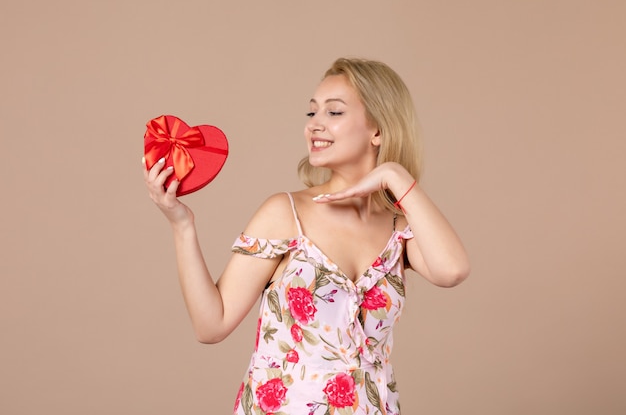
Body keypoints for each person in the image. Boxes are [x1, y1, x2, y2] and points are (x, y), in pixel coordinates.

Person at [143, 57, 470, 415]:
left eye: (334, 112)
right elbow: (212, 325)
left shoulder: (400, 228)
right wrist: (182, 224)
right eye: (311, 113)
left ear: (378, 130)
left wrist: (395, 175)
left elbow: (452, 270)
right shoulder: (285, 214)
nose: (314, 125)